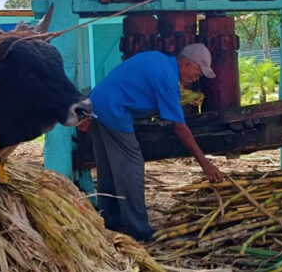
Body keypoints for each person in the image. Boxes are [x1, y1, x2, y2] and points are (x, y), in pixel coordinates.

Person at [84, 43, 223, 241]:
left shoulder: (158, 60)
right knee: (131, 168)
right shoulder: (167, 77)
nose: (196, 79)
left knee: (108, 169)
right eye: (197, 73)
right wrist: (205, 164)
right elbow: (180, 129)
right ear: (186, 64)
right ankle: (138, 229)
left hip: (97, 103)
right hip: (114, 110)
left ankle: (110, 221)